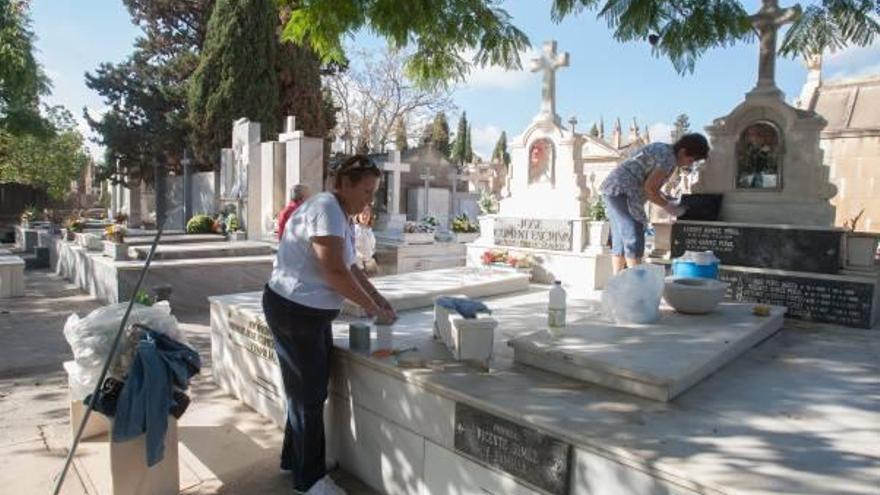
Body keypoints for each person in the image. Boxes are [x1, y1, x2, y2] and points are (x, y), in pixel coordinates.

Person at [262, 155, 396, 494]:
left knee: (306, 392)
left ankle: (297, 460)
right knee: (309, 396)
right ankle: (310, 481)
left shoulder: (342, 216)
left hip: (308, 313)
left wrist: (378, 298)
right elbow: (333, 273)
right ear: (345, 184)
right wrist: (371, 309)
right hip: (295, 312)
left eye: (373, 192)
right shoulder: (327, 209)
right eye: (365, 191)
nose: (370, 200)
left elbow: (351, 268)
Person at [600, 133, 710, 274]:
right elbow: (650, 189)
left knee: (620, 241)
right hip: (624, 191)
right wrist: (669, 207)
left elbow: (653, 187)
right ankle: (636, 285)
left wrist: (668, 199)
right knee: (633, 237)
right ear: (682, 151)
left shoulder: (662, 148)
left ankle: (617, 284)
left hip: (612, 189)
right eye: (691, 159)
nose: (690, 164)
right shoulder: (668, 158)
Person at [353, 204, 378, 275]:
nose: (365, 216)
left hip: (368, 267)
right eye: (363, 213)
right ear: (358, 215)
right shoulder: (355, 229)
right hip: (358, 267)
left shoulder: (369, 230)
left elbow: (372, 248)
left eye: (367, 213)